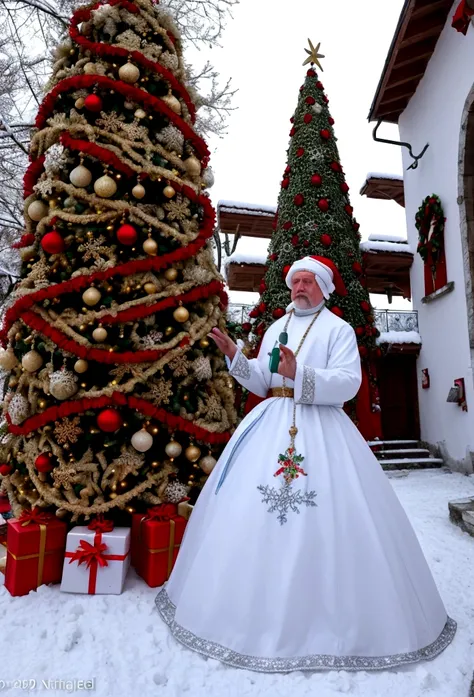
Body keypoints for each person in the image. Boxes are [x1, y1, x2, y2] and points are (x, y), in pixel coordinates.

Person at [156, 255, 456, 672]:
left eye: (306, 281)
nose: (298, 287)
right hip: (270, 424)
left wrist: (302, 373)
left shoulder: (339, 329)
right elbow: (263, 380)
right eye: (294, 281)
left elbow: (349, 382)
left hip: (322, 429)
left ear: (323, 288)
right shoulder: (276, 327)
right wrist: (236, 359)